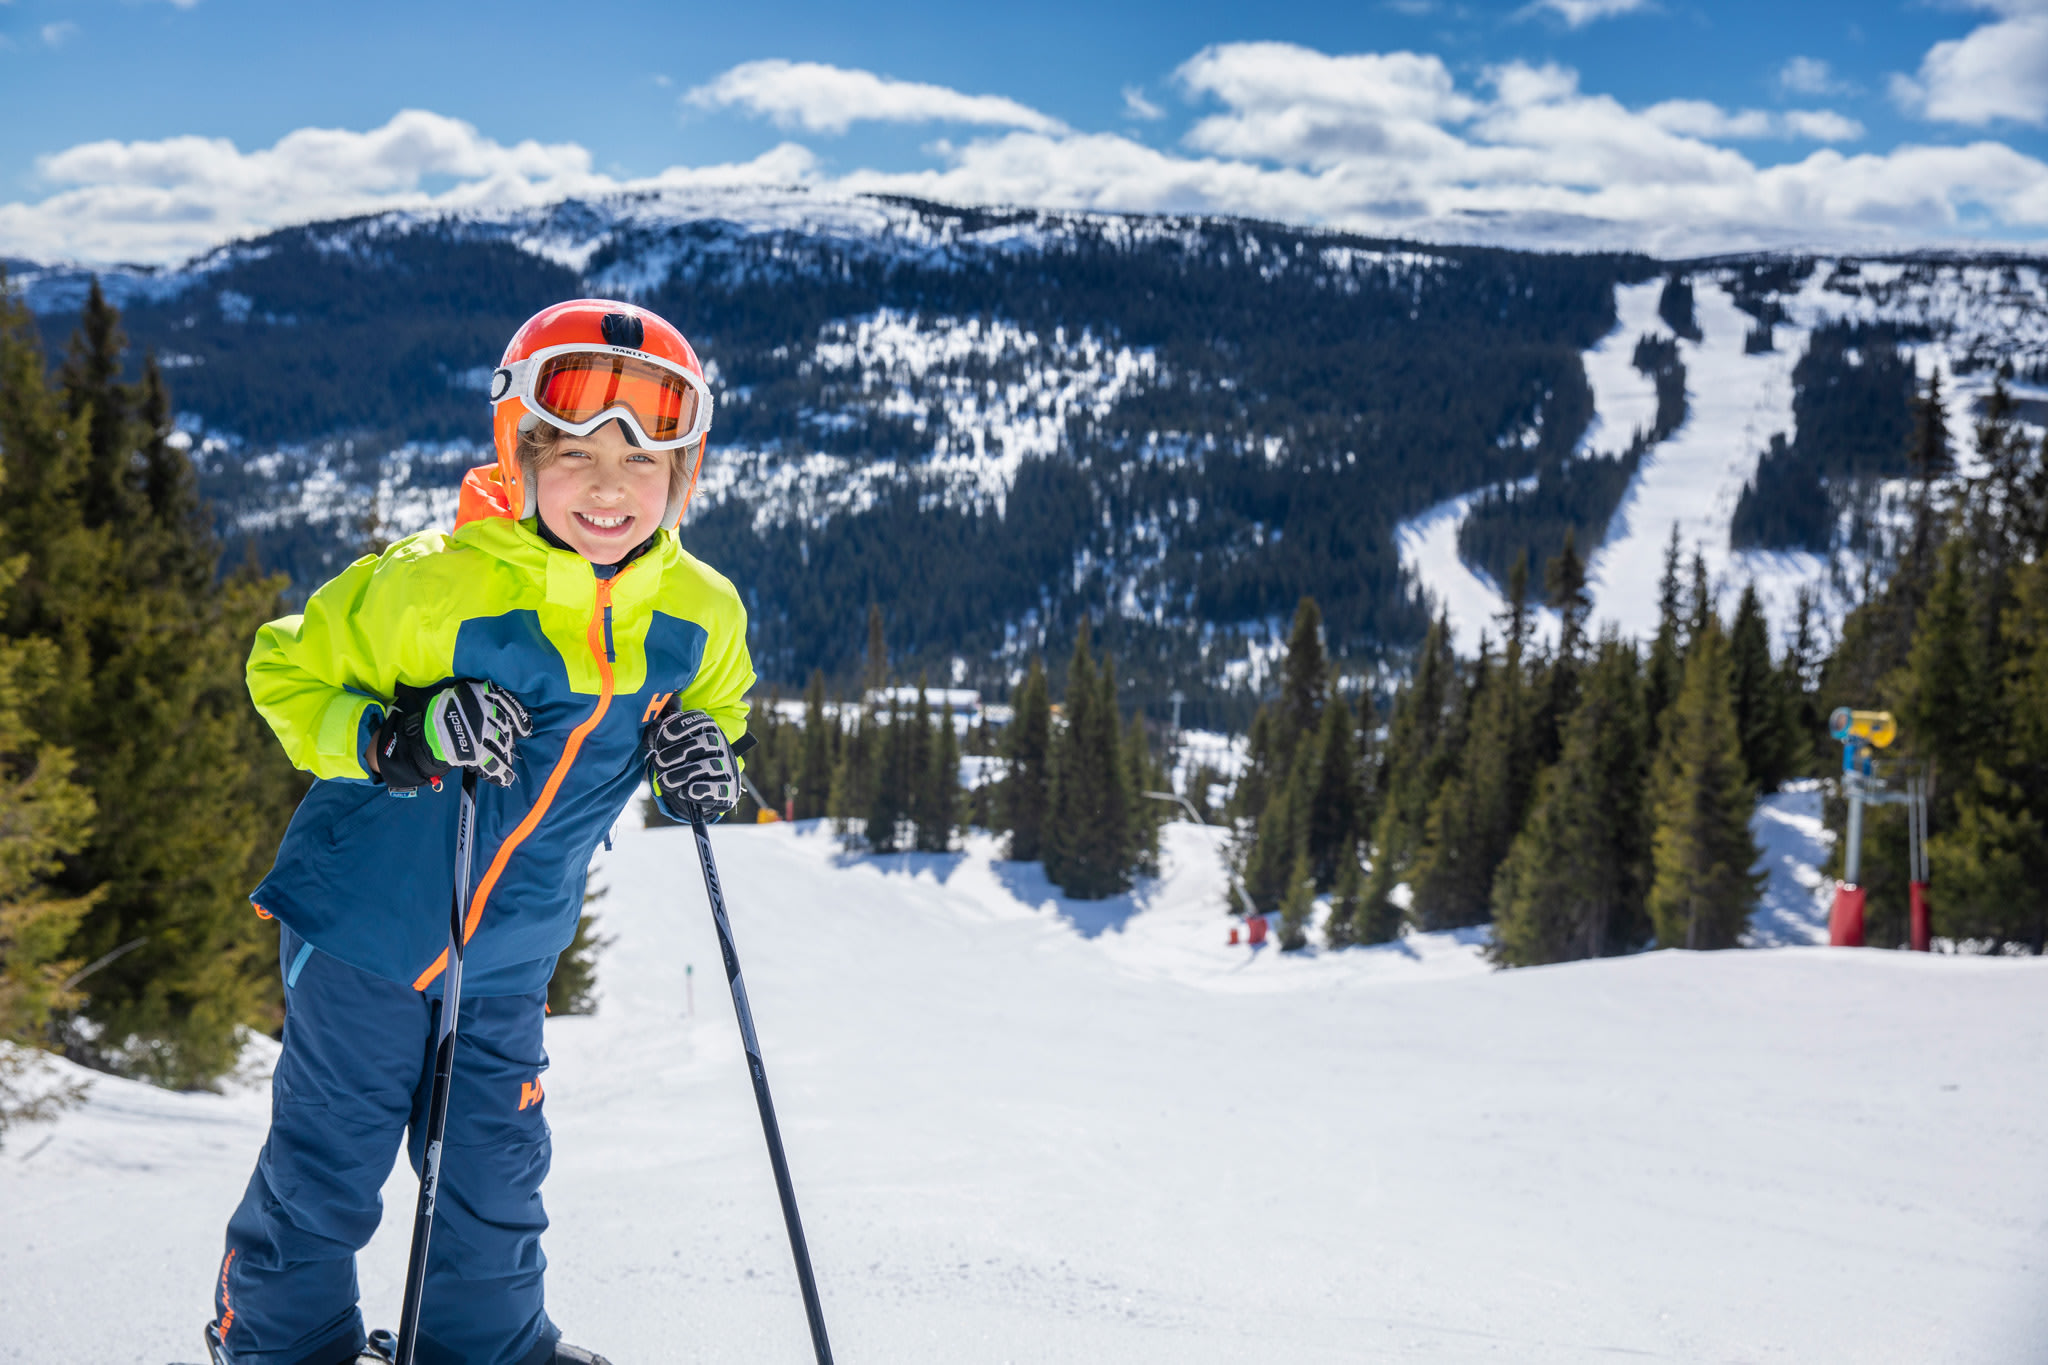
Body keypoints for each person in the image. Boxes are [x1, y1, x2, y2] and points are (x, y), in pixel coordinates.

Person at [208, 300, 756, 1365]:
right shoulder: (432, 581)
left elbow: (717, 709)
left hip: (506, 954)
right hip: (365, 928)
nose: (610, 487)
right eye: (579, 455)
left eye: (644, 464)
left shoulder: (702, 612)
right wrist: (389, 732)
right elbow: (282, 671)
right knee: (331, 1164)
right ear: (521, 451)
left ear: (682, 477)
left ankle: (488, 1348)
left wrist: (700, 757)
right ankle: (275, 1346)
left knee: (494, 1169)